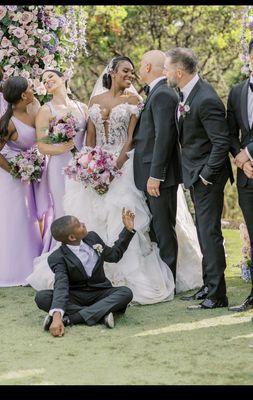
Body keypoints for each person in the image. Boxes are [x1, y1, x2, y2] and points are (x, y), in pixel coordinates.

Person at [28, 55, 203, 304]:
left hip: (123, 166)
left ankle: (128, 273)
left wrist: (113, 168)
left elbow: (131, 138)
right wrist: (88, 165)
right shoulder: (95, 101)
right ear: (112, 71)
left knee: (123, 216)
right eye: (124, 70)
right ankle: (88, 274)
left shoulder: (136, 100)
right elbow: (90, 136)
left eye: (132, 71)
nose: (129, 75)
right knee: (91, 218)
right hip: (95, 166)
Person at [164, 47, 233, 309]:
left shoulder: (205, 99)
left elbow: (221, 142)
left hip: (208, 178)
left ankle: (218, 295)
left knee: (209, 233)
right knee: (204, 233)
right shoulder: (187, 93)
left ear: (179, 72)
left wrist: (205, 175)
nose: (165, 73)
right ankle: (208, 286)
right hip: (194, 174)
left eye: (167, 68)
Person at [35, 209, 135, 337]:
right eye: (78, 224)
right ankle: (102, 314)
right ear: (71, 237)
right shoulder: (57, 257)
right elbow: (61, 284)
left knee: (125, 293)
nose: (83, 223)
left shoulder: (92, 237)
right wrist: (56, 316)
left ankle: (71, 319)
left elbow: (114, 256)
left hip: (100, 292)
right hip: (75, 296)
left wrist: (127, 230)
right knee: (42, 297)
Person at [133, 50, 182, 284]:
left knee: (164, 229)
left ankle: (168, 280)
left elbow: (164, 138)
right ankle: (161, 276)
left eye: (142, 63)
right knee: (157, 227)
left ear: (150, 67)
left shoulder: (163, 94)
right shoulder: (157, 93)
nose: (140, 67)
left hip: (159, 176)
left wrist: (156, 175)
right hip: (149, 173)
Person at [35, 69, 88, 250]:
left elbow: (89, 139)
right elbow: (42, 146)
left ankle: (85, 250)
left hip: (82, 166)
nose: (47, 81)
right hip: (59, 167)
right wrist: (61, 148)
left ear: (63, 78)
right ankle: (61, 253)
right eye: (44, 80)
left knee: (83, 206)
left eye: (50, 76)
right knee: (63, 208)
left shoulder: (82, 107)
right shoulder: (45, 110)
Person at [0, 77, 44, 286]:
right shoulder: (7, 122)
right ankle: (14, 270)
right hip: (12, 178)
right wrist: (15, 171)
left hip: (30, 175)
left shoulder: (34, 110)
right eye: (30, 87)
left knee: (31, 219)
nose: (33, 88)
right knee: (17, 220)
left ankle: (32, 265)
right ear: (23, 95)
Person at [227, 39, 253, 312]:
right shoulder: (236, 92)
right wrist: (240, 158)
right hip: (247, 176)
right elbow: (229, 132)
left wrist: (249, 152)